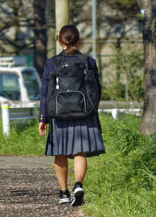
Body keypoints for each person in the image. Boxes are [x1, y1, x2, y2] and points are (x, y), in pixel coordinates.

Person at [38, 24, 105, 207]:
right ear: (79, 41)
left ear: (59, 41)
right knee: (79, 151)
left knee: (59, 153)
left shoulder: (52, 63)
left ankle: (63, 193)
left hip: (59, 114)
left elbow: (45, 92)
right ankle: (78, 185)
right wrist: (93, 111)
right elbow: (96, 90)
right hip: (83, 112)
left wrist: (42, 118)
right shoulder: (88, 62)